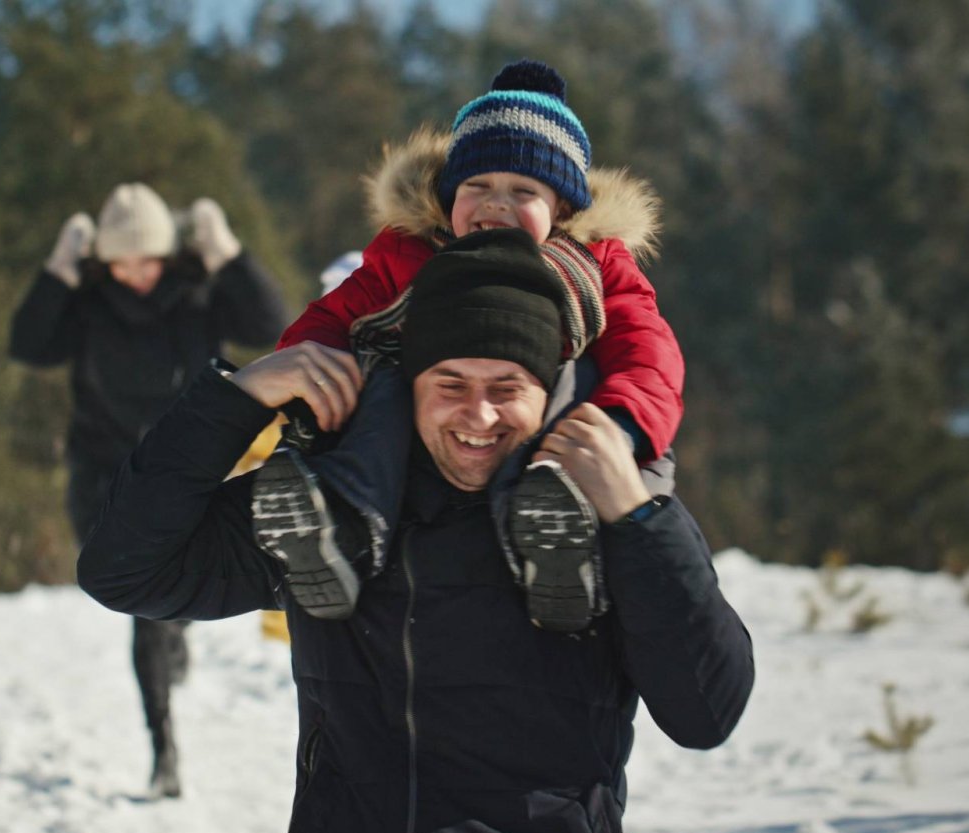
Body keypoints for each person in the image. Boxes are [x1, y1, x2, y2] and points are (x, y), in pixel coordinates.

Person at [79, 227, 754, 833]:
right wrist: (237, 398)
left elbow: (706, 712)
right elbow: (127, 571)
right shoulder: (333, 508)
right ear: (412, 384)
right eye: (449, 383)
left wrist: (639, 520)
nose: (478, 414)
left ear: (547, 388)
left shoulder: (599, 508)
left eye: (507, 386)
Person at [253, 59, 681, 634]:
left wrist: (624, 424)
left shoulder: (596, 265)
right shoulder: (410, 254)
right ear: (448, 194)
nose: (495, 203)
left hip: (553, 429)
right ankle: (341, 531)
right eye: (476, 186)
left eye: (522, 190)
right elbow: (331, 318)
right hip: (431, 420)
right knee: (382, 382)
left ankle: (560, 548)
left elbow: (648, 352)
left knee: (603, 418)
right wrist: (305, 374)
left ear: (563, 208)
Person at [8, 182, 287, 799]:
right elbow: (28, 344)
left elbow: (271, 325)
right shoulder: (88, 302)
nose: (135, 273)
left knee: (156, 607)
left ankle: (167, 727)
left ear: (169, 255)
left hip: (188, 466)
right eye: (121, 261)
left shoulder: (200, 293)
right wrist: (58, 271)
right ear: (104, 261)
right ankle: (165, 732)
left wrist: (229, 255)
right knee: (140, 595)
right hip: (103, 470)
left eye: (147, 259)